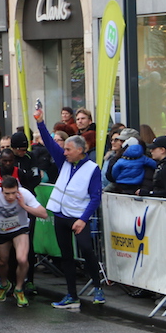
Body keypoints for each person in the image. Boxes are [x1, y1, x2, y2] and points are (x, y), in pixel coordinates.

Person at [34, 107, 105, 309]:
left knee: (86, 250)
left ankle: (98, 288)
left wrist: (83, 219)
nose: (64, 152)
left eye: (68, 149)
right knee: (66, 256)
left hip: (78, 217)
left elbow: (95, 197)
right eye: (64, 149)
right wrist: (40, 122)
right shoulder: (63, 161)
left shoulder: (92, 168)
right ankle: (71, 294)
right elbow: (48, 142)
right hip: (60, 215)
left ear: (80, 151)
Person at [0, 176, 47, 307]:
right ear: (1, 190)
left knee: (22, 259)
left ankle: (19, 288)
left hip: (19, 229)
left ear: (18, 189)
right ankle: (5, 284)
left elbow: (43, 213)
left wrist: (23, 206)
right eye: (7, 193)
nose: (11, 197)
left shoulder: (24, 194)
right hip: (2, 230)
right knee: (1, 261)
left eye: (13, 193)